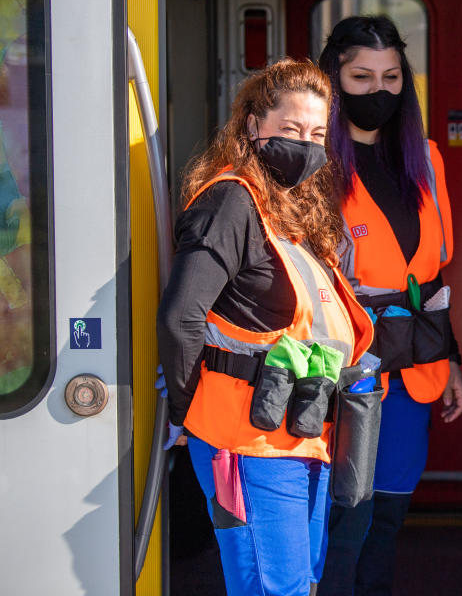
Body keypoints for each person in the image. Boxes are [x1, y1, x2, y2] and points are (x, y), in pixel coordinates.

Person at [157, 58, 374, 596]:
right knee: (274, 587)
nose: (307, 143)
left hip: (303, 430)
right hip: (245, 437)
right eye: (292, 129)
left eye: (318, 133)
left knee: (299, 582)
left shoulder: (293, 208)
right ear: (253, 127)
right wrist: (187, 415)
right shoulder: (230, 201)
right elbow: (181, 315)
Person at [315, 15, 462, 595]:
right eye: (361, 76)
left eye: (391, 76)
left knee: (387, 520)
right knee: (344, 522)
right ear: (333, 79)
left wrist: (449, 355)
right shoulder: (313, 165)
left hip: (414, 372)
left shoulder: (426, 159)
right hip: (342, 374)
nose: (379, 90)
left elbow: (431, 276)